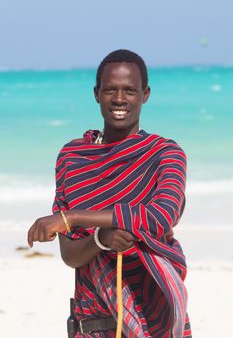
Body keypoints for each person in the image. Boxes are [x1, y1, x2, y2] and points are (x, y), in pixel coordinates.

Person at [28, 49, 192, 338]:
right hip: (88, 325)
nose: (119, 99)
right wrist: (101, 239)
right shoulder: (72, 157)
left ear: (146, 94)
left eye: (129, 90)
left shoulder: (165, 155)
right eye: (110, 90)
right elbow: (71, 255)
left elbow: (160, 217)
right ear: (96, 94)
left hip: (154, 322)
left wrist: (72, 217)